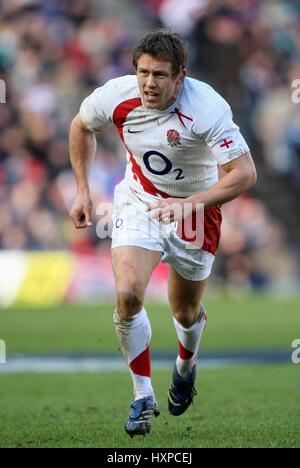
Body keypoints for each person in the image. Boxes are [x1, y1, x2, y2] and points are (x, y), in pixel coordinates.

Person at [69, 30, 257, 438]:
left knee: (185, 312)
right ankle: (142, 395)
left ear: (180, 76)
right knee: (129, 295)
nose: (149, 83)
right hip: (140, 202)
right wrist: (83, 190)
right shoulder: (115, 96)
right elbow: (81, 126)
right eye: (143, 72)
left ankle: (185, 366)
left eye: (160, 74)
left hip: (196, 209)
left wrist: (188, 205)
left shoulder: (206, 108)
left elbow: (244, 173)